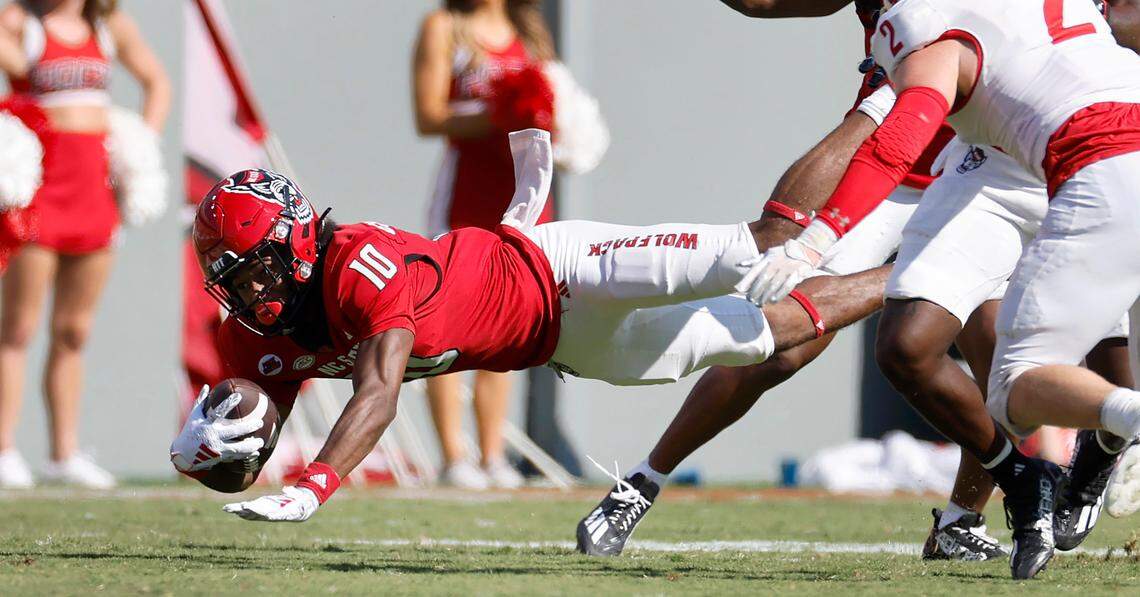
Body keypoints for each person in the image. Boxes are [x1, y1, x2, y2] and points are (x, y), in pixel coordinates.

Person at [574, 0, 1139, 562]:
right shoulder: (918, 36)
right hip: (912, 159)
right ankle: (644, 481)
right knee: (781, 341)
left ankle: (976, 512)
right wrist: (818, 230)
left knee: (1004, 362)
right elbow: (776, 15)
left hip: (1002, 164)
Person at [168, 130, 888, 523]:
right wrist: (213, 454)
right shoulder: (256, 337)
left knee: (751, 249)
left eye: (258, 268)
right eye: (235, 279)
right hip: (564, 344)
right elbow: (248, 458)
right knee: (757, 336)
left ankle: (871, 110)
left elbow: (379, 388)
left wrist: (318, 481)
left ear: (295, 239)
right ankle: (911, 271)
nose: (252, 291)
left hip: (560, 266)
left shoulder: (357, 262)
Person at [746, 0, 1140, 579]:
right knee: (907, 344)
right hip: (1002, 156)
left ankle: (1116, 429)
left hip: (1087, 154)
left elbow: (897, 139)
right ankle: (1074, 455)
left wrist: (818, 236)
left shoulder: (925, 19)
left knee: (1015, 383)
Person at [0, 0, 169, 488]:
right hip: (39, 195)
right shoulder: (20, 22)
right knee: (18, 327)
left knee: (74, 331)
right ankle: (5, 449)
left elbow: (157, 83)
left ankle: (63, 453)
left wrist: (139, 148)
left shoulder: (108, 24)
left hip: (95, 196)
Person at [412, 0, 557, 490]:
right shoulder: (444, 27)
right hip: (464, 194)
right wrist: (498, 113)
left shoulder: (529, 29)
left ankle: (493, 454)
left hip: (520, 193)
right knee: (443, 320)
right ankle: (455, 456)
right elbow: (428, 116)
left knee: (508, 322)